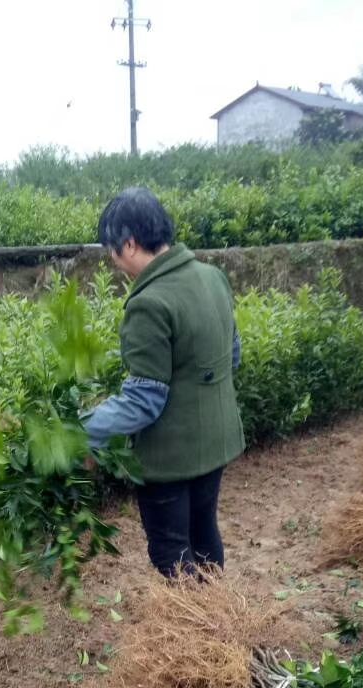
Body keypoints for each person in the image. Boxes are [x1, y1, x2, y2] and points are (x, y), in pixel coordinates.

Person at [84, 187, 245, 578]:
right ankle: (222, 621)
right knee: (204, 537)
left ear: (130, 242)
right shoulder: (211, 277)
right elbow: (232, 354)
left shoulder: (149, 303)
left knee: (172, 552)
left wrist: (82, 429)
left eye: (112, 248)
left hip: (172, 457)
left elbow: (144, 401)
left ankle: (195, 634)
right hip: (218, 440)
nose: (112, 259)